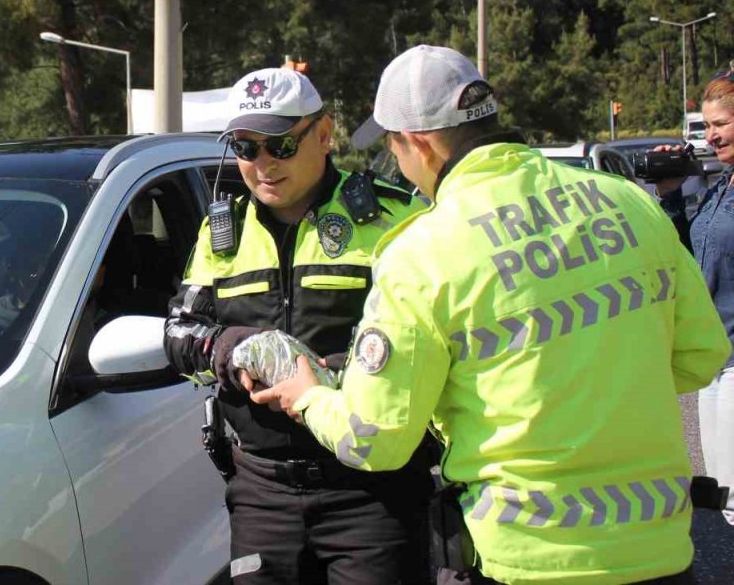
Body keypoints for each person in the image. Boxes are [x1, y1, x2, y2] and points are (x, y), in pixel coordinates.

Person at [249, 45, 730, 585]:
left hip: (527, 555)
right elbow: (701, 356)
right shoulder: (628, 204)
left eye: (392, 147)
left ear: (419, 145)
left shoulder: (422, 252)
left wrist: (307, 395)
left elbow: (373, 440)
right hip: (659, 550)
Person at [163, 66, 432, 584]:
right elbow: (178, 334)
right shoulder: (223, 232)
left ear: (324, 134)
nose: (262, 164)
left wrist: (335, 372)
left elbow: (435, 336)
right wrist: (232, 346)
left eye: (279, 146)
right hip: (262, 492)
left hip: (372, 488)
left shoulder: (391, 218)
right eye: (245, 147)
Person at [656, 63, 734, 526]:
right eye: (707, 126)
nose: (712, 136)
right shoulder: (718, 190)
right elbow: (686, 262)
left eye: (721, 124)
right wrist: (670, 193)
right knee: (725, 498)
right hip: (715, 362)